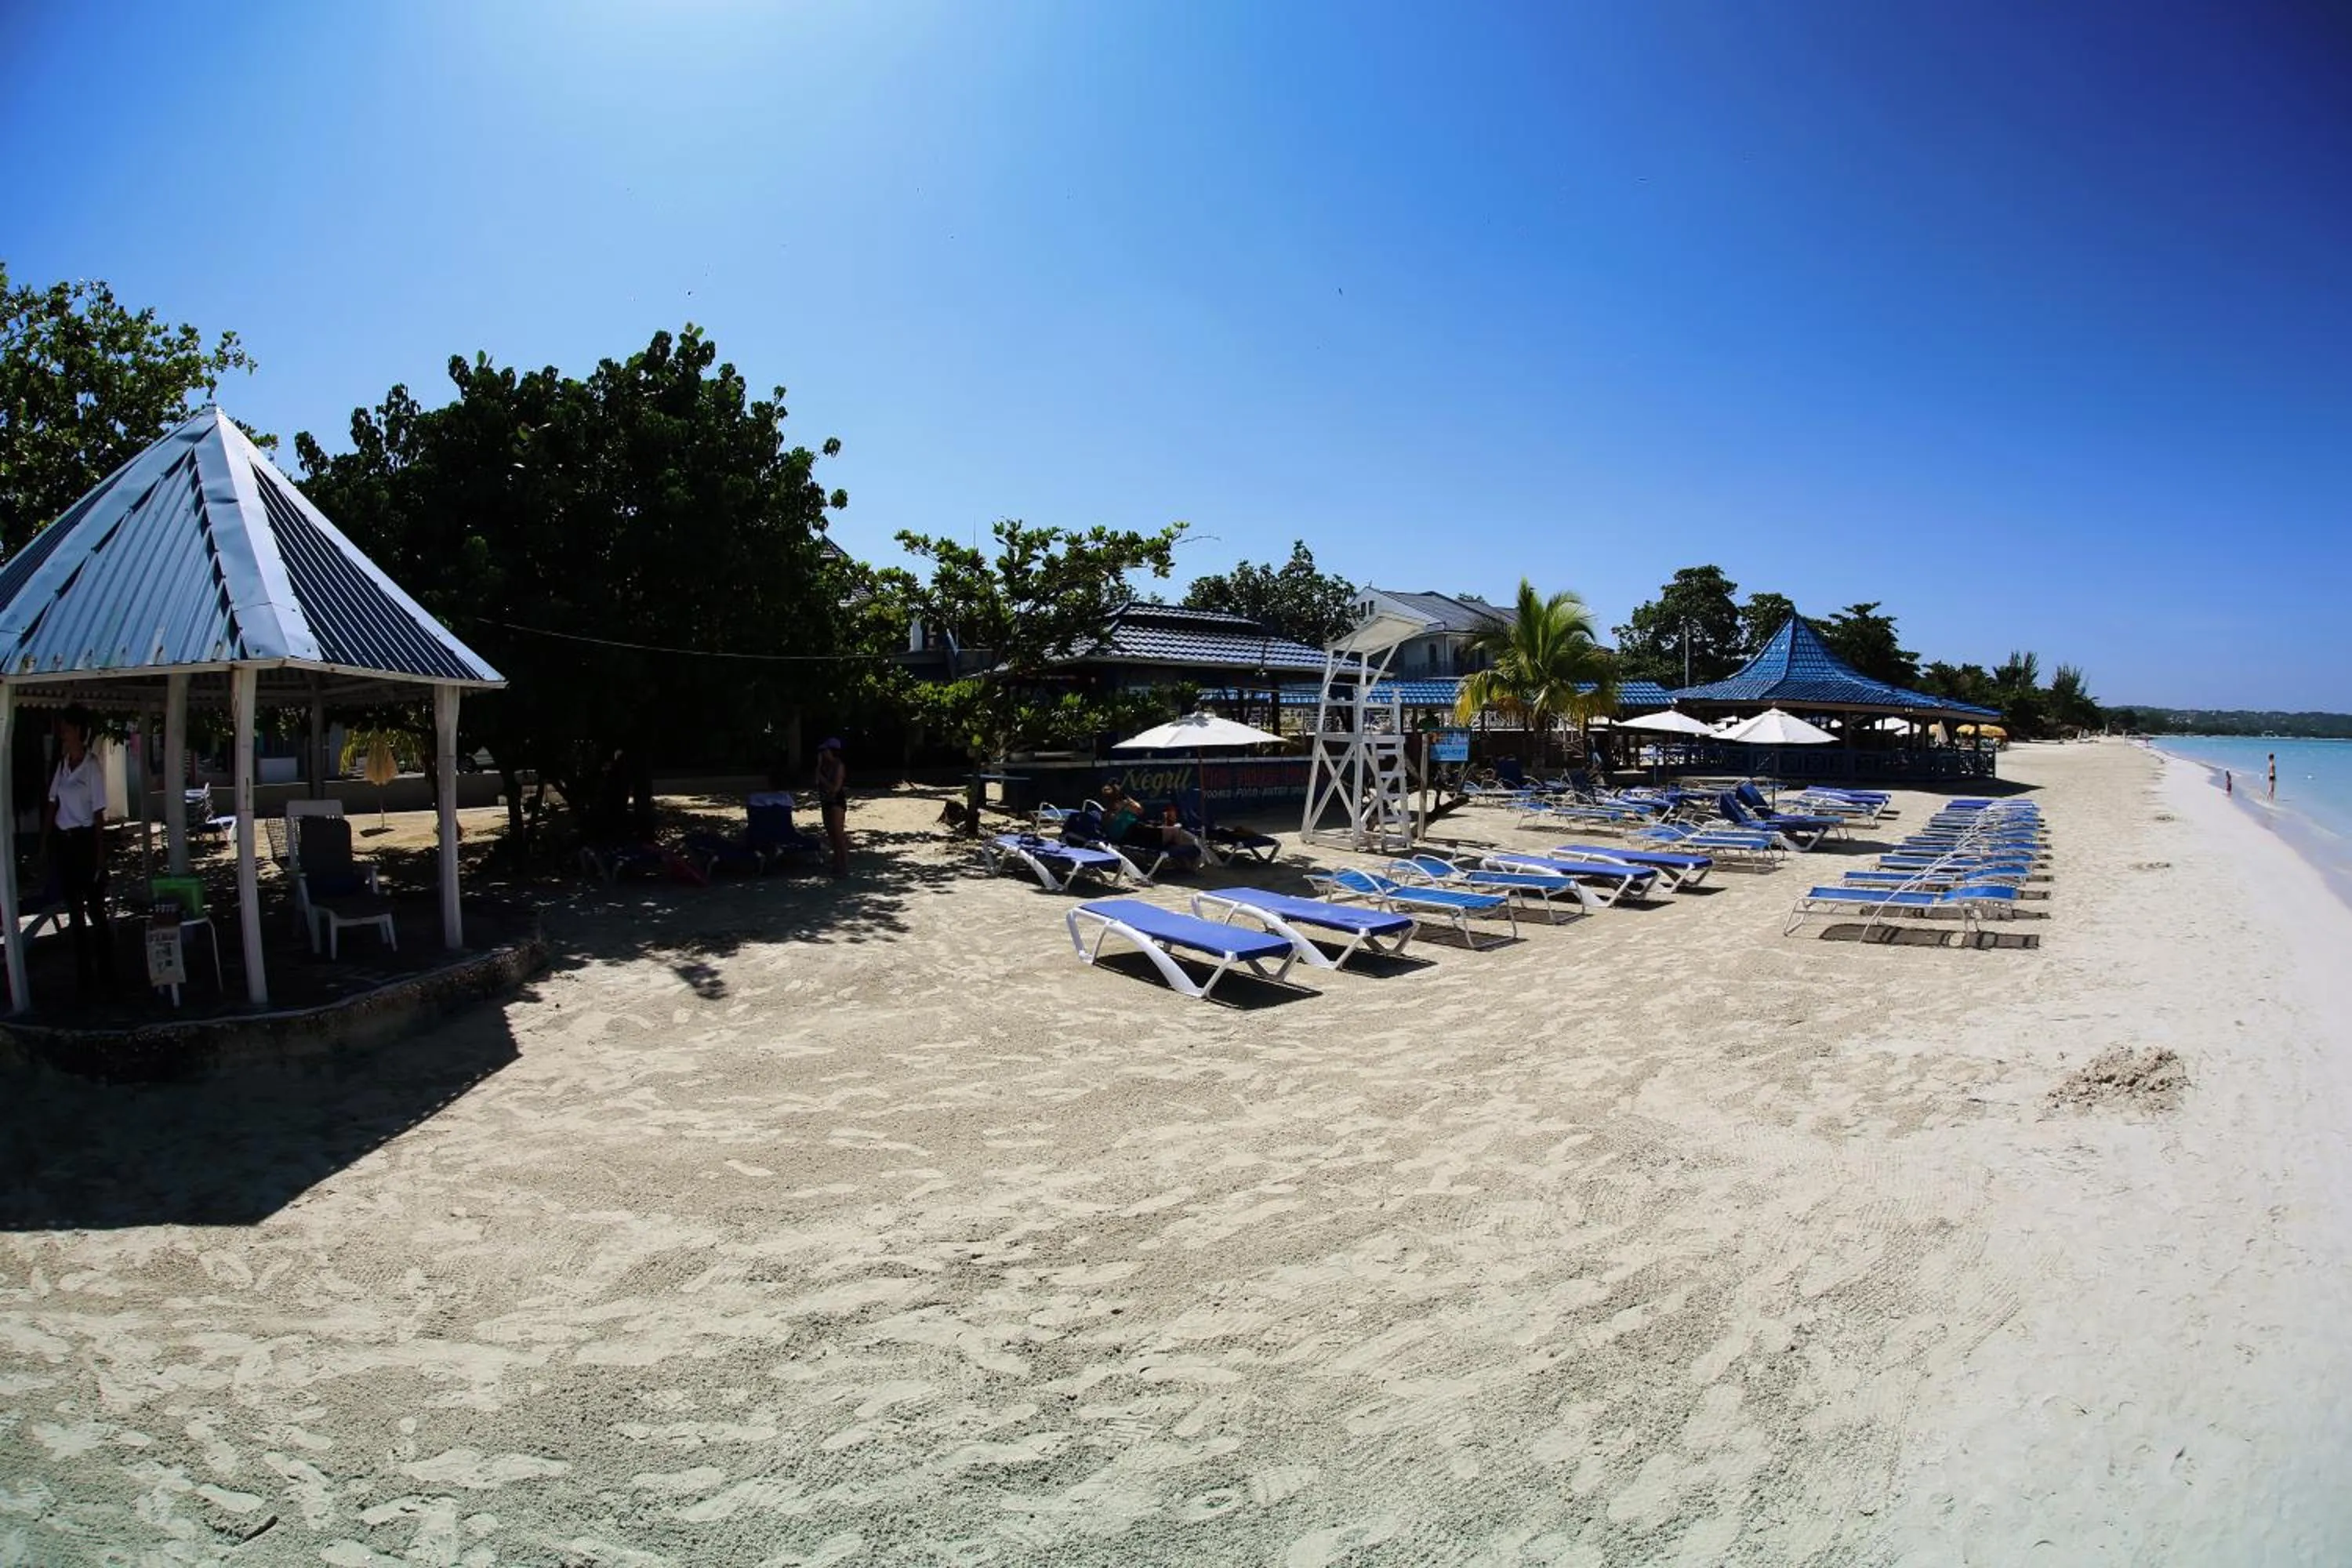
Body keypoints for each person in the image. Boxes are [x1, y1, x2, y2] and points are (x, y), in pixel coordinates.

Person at [46, 709, 114, 995]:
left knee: (95, 910)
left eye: (67, 729)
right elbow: (52, 804)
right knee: (74, 911)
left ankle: (107, 973)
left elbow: (99, 813)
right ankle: (84, 977)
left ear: (78, 732)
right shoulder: (62, 766)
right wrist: (44, 842)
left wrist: (100, 853)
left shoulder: (91, 766)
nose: (63, 733)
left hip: (86, 841)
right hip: (66, 841)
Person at [815, 738, 849, 877]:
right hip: (826, 801)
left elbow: (835, 788)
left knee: (838, 834)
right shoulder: (823, 766)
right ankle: (837, 861)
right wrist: (818, 767)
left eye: (825, 751)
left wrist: (822, 778)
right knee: (830, 834)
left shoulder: (839, 766)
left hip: (836, 802)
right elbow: (816, 782)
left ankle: (844, 864)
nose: (823, 753)